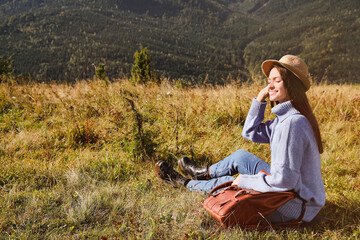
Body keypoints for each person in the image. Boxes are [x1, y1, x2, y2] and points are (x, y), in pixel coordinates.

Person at [155, 55, 326, 225]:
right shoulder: (286, 119)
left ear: (292, 84)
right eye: (268, 81)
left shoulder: (293, 123)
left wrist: (243, 180)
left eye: (277, 80)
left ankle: (184, 183)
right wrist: (260, 100)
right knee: (241, 157)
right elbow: (250, 132)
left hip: (295, 205)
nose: (270, 86)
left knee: (231, 182)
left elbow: (283, 181)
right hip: (291, 191)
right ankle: (202, 174)